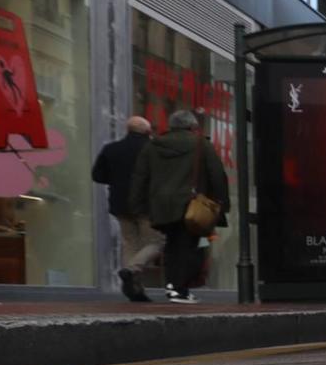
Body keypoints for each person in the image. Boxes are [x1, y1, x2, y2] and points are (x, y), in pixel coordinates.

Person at [128, 110, 228, 304]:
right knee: (190, 247)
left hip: (161, 205)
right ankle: (178, 290)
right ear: (192, 126)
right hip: (191, 204)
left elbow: (140, 176)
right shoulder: (201, 144)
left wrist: (138, 205)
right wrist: (222, 203)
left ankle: (175, 287)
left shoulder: (152, 146)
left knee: (173, 246)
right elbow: (217, 175)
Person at [91, 115, 161, 302]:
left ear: (128, 130)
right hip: (147, 203)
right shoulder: (153, 149)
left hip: (120, 203)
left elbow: (97, 176)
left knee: (130, 243)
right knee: (157, 241)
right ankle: (132, 269)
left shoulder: (111, 149)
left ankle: (136, 290)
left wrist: (117, 180)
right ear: (148, 132)